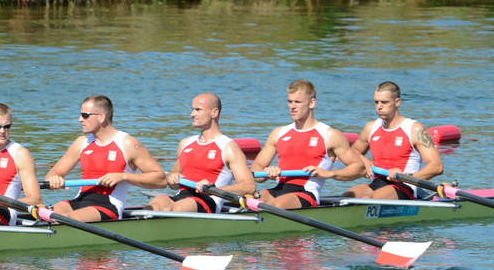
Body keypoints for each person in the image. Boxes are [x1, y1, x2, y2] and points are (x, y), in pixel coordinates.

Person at [43, 95, 166, 221]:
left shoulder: (128, 144)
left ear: (101, 117)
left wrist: (123, 176)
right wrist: (54, 180)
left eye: (85, 115)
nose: (80, 119)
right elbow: (52, 175)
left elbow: (161, 180)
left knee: (62, 219)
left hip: (107, 206)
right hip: (79, 201)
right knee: (44, 214)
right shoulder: (81, 143)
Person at [251, 79, 365, 209]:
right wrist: (266, 174)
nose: (292, 106)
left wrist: (329, 174)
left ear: (312, 103)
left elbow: (359, 168)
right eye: (290, 101)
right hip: (278, 189)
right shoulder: (278, 133)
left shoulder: (329, 135)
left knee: (274, 205)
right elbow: (256, 168)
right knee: (248, 200)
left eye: (297, 102)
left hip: (306, 193)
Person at [147, 93, 255, 213]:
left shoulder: (228, 148)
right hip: (181, 195)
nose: (192, 114)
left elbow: (248, 186)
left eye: (198, 110)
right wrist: (172, 178)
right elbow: (173, 176)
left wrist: (212, 189)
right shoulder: (185, 143)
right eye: (192, 110)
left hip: (208, 200)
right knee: (154, 205)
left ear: (214, 113)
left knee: (169, 209)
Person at [344, 81, 443, 200]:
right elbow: (353, 151)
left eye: (384, 102)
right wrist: (363, 160)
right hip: (378, 183)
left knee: (371, 199)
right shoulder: (371, 128)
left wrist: (406, 177)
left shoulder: (415, 129)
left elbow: (436, 166)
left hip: (405, 186)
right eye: (376, 102)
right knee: (347, 197)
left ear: (397, 102)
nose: (379, 106)